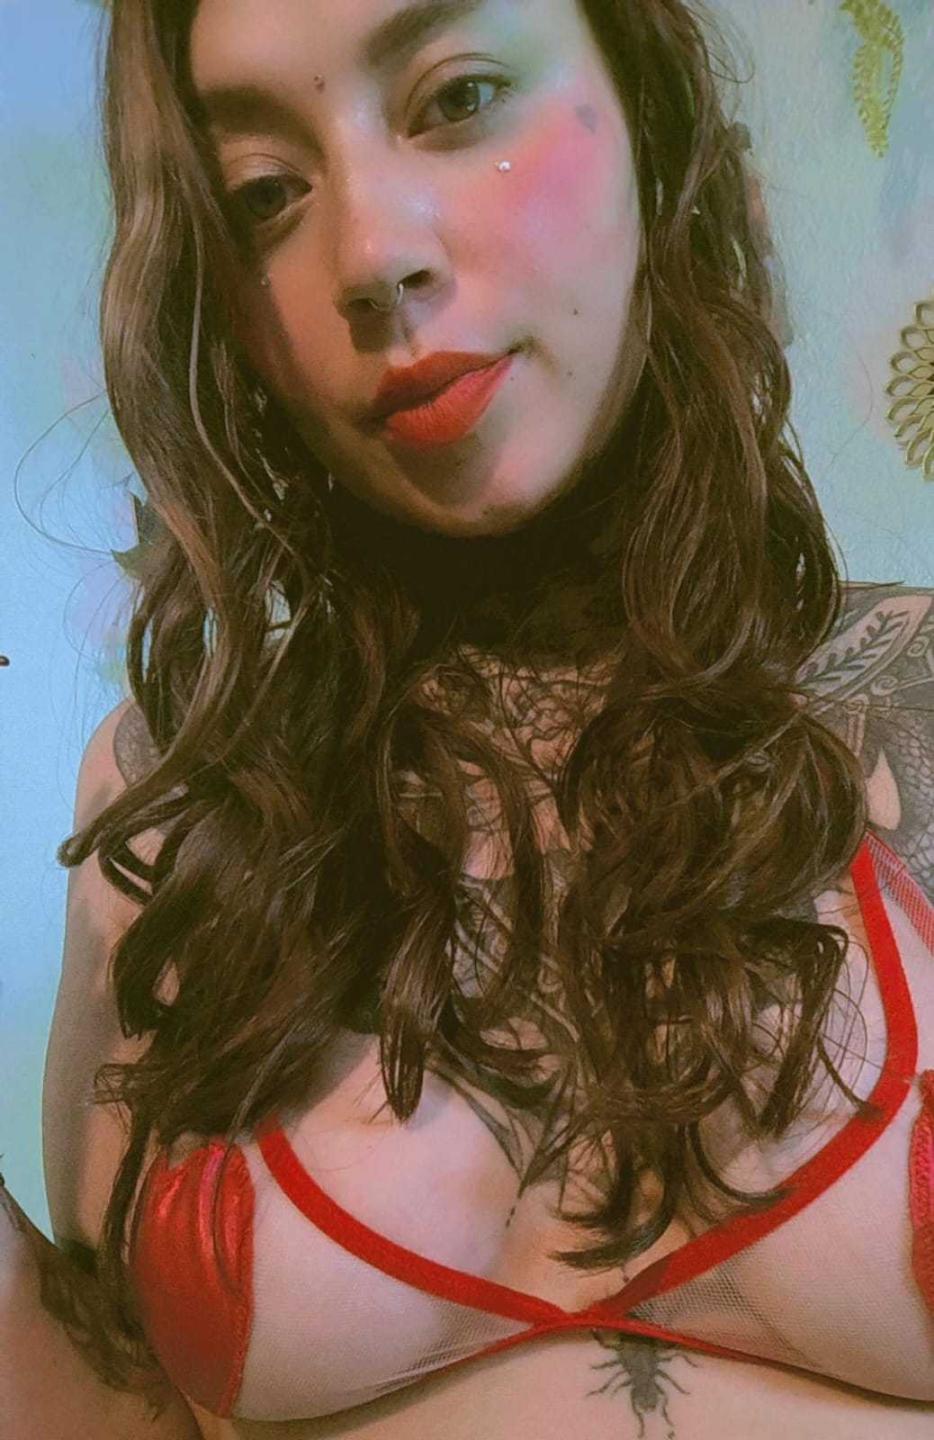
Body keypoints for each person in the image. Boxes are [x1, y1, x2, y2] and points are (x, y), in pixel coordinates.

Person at [3, 1, 933, 1437]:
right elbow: (126, 1420)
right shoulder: (176, 806)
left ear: (651, 125)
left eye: (457, 97)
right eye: (263, 192)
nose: (371, 256)